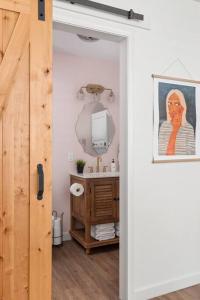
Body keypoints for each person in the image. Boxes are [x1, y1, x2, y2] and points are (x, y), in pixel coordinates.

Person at [158, 89, 195, 155]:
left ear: (182, 106)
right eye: (169, 103)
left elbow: (191, 154)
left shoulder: (188, 128)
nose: (172, 107)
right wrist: (174, 130)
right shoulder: (164, 126)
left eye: (177, 104)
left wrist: (176, 128)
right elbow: (161, 152)